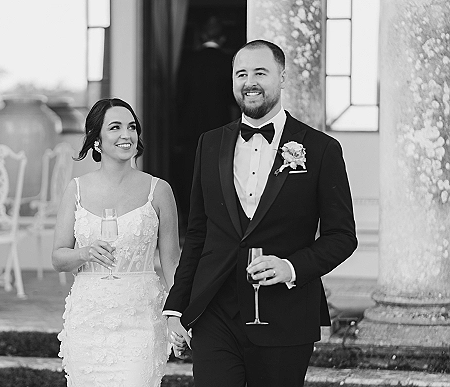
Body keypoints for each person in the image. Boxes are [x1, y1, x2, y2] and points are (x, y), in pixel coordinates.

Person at [165, 40, 358, 387]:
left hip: (285, 316)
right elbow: (198, 232)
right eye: (241, 73)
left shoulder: (321, 149)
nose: (249, 81)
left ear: (282, 77)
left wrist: (291, 267)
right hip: (215, 312)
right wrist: (176, 306)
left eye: (260, 72)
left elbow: (342, 236)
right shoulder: (209, 143)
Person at [52, 98, 181, 386]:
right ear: (96, 139)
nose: (127, 135)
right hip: (88, 319)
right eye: (115, 127)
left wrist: (178, 313)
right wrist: (84, 253)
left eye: (132, 127)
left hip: (141, 318)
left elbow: (172, 263)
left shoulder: (159, 191)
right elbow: (58, 257)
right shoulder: (76, 190)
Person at [171, 16, 238, 232]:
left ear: (201, 36)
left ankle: (192, 225)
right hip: (220, 128)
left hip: (191, 131)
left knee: (191, 176)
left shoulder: (189, 61)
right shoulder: (228, 62)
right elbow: (233, 101)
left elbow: (178, 99)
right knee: (218, 176)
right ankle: (216, 225)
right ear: (223, 37)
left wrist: (177, 131)